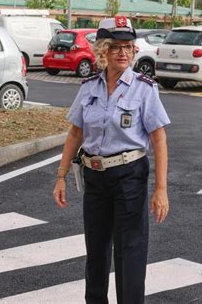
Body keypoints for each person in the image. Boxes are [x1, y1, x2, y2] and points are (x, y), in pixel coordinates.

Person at [53, 16, 170, 304]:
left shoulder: (144, 88)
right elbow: (75, 133)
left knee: (130, 252)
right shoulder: (89, 86)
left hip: (129, 175)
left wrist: (161, 189)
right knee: (96, 252)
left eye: (128, 47)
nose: (122, 53)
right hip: (95, 177)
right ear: (102, 50)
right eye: (115, 47)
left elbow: (159, 138)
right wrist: (61, 175)